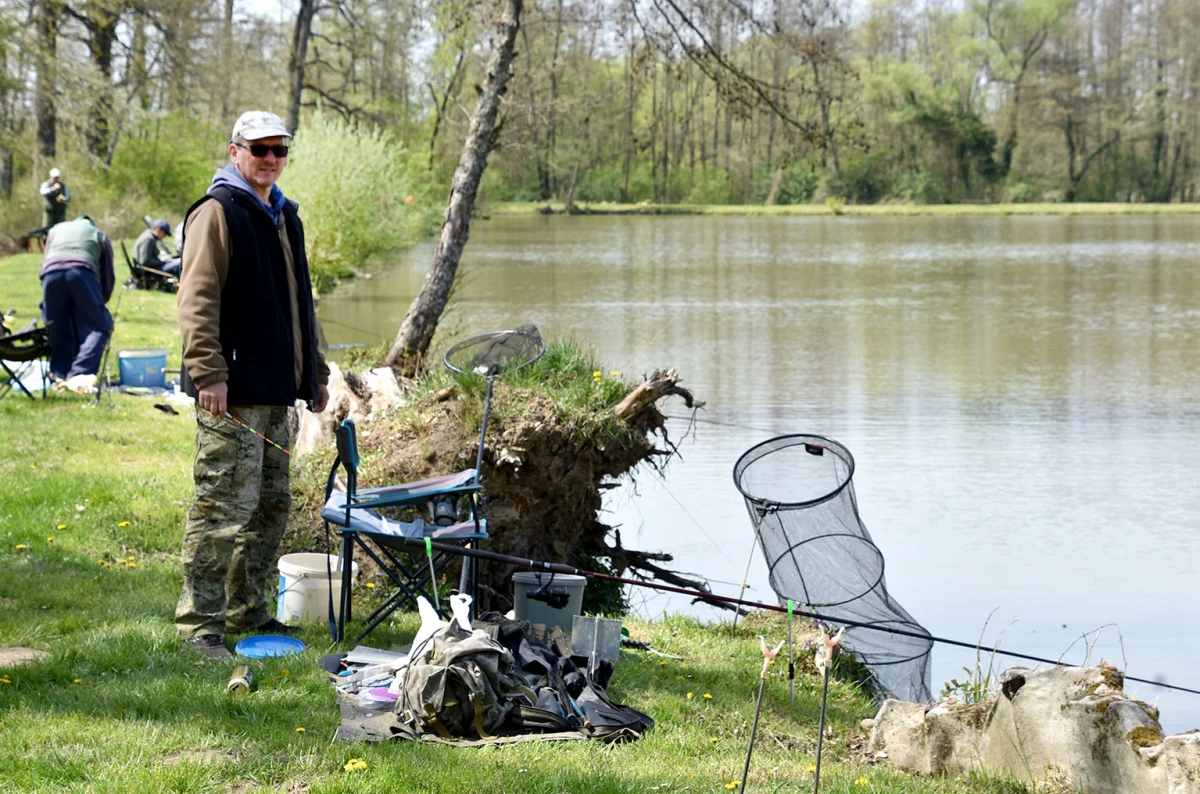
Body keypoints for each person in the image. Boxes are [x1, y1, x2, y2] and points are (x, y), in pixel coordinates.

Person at [175, 110, 330, 659]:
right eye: (258, 148)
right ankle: (200, 625)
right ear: (235, 151)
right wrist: (209, 372)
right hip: (231, 392)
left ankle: (247, 608)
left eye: (278, 150)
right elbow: (196, 299)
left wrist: (315, 374)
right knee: (221, 508)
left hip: (275, 392)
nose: (269, 159)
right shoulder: (217, 211)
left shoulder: (285, 215)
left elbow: (299, 304)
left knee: (270, 506)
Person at [39, 215, 114, 383]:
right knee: (99, 326)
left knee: (57, 326)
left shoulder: (56, 230)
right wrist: (101, 300)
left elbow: (48, 256)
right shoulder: (98, 235)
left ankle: (59, 375)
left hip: (50, 273)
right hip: (81, 272)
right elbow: (107, 274)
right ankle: (80, 374)